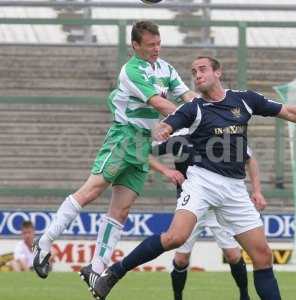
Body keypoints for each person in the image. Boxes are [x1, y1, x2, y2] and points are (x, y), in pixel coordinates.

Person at [90, 56, 296, 300]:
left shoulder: (244, 100)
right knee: (175, 238)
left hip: (235, 189)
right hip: (202, 182)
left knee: (262, 257)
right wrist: (164, 128)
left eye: (202, 69)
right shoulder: (194, 107)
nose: (197, 75)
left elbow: (289, 112)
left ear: (218, 72)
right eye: (193, 72)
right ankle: (114, 273)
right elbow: (171, 121)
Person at [32, 20, 196, 282]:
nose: (156, 49)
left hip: (142, 142)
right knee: (92, 191)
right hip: (124, 137)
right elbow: (160, 104)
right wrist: (198, 120)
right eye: (151, 45)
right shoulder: (131, 71)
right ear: (135, 45)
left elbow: (186, 94)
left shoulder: (166, 68)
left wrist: (206, 108)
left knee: (121, 209)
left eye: (159, 43)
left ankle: (96, 268)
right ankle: (45, 240)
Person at [150, 130, 266, 300]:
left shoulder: (219, 129)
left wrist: (257, 191)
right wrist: (165, 171)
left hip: (219, 206)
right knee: (181, 260)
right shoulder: (179, 137)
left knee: (233, 255)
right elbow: (144, 152)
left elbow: (250, 159)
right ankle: (177, 297)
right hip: (192, 207)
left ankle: (244, 295)